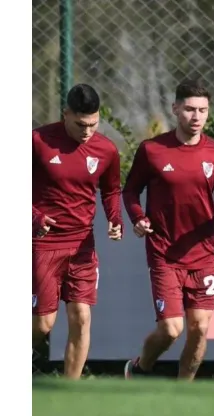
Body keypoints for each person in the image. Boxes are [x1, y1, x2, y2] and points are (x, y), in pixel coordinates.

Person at [122, 79, 214, 380]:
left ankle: (182, 394)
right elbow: (131, 192)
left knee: (200, 328)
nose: (196, 116)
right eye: (189, 109)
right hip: (164, 253)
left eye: (202, 110)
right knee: (171, 329)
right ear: (176, 109)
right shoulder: (152, 150)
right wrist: (137, 216)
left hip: (202, 255)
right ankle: (139, 368)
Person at [32, 84, 123, 379]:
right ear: (66, 114)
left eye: (94, 124)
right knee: (43, 324)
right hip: (42, 242)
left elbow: (111, 191)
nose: (87, 131)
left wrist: (114, 217)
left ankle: (71, 392)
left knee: (81, 317)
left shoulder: (106, 149)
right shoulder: (37, 141)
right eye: (81, 124)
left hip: (83, 245)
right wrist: (34, 216)